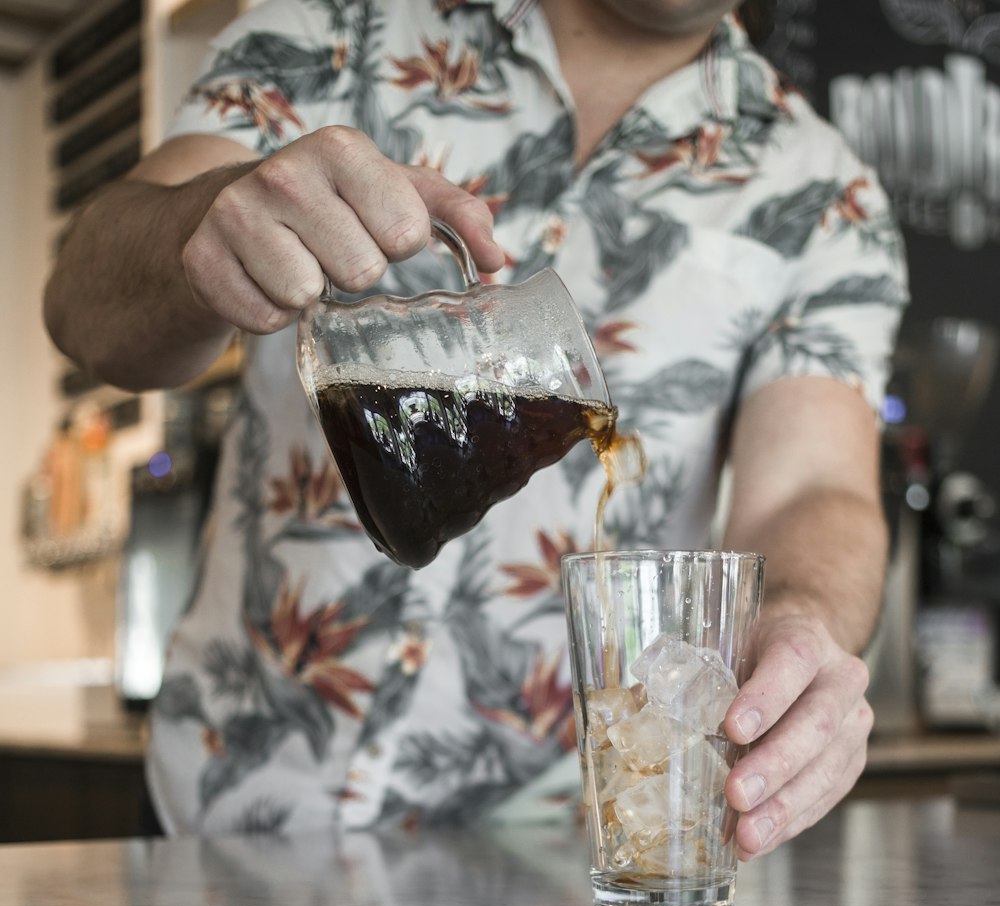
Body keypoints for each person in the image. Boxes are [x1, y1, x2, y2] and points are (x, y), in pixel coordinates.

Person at [44, 0, 907, 851]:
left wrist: (803, 620)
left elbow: (814, 487)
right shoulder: (337, 29)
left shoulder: (824, 194)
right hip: (221, 816)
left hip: (542, 874)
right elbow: (81, 310)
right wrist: (201, 221)